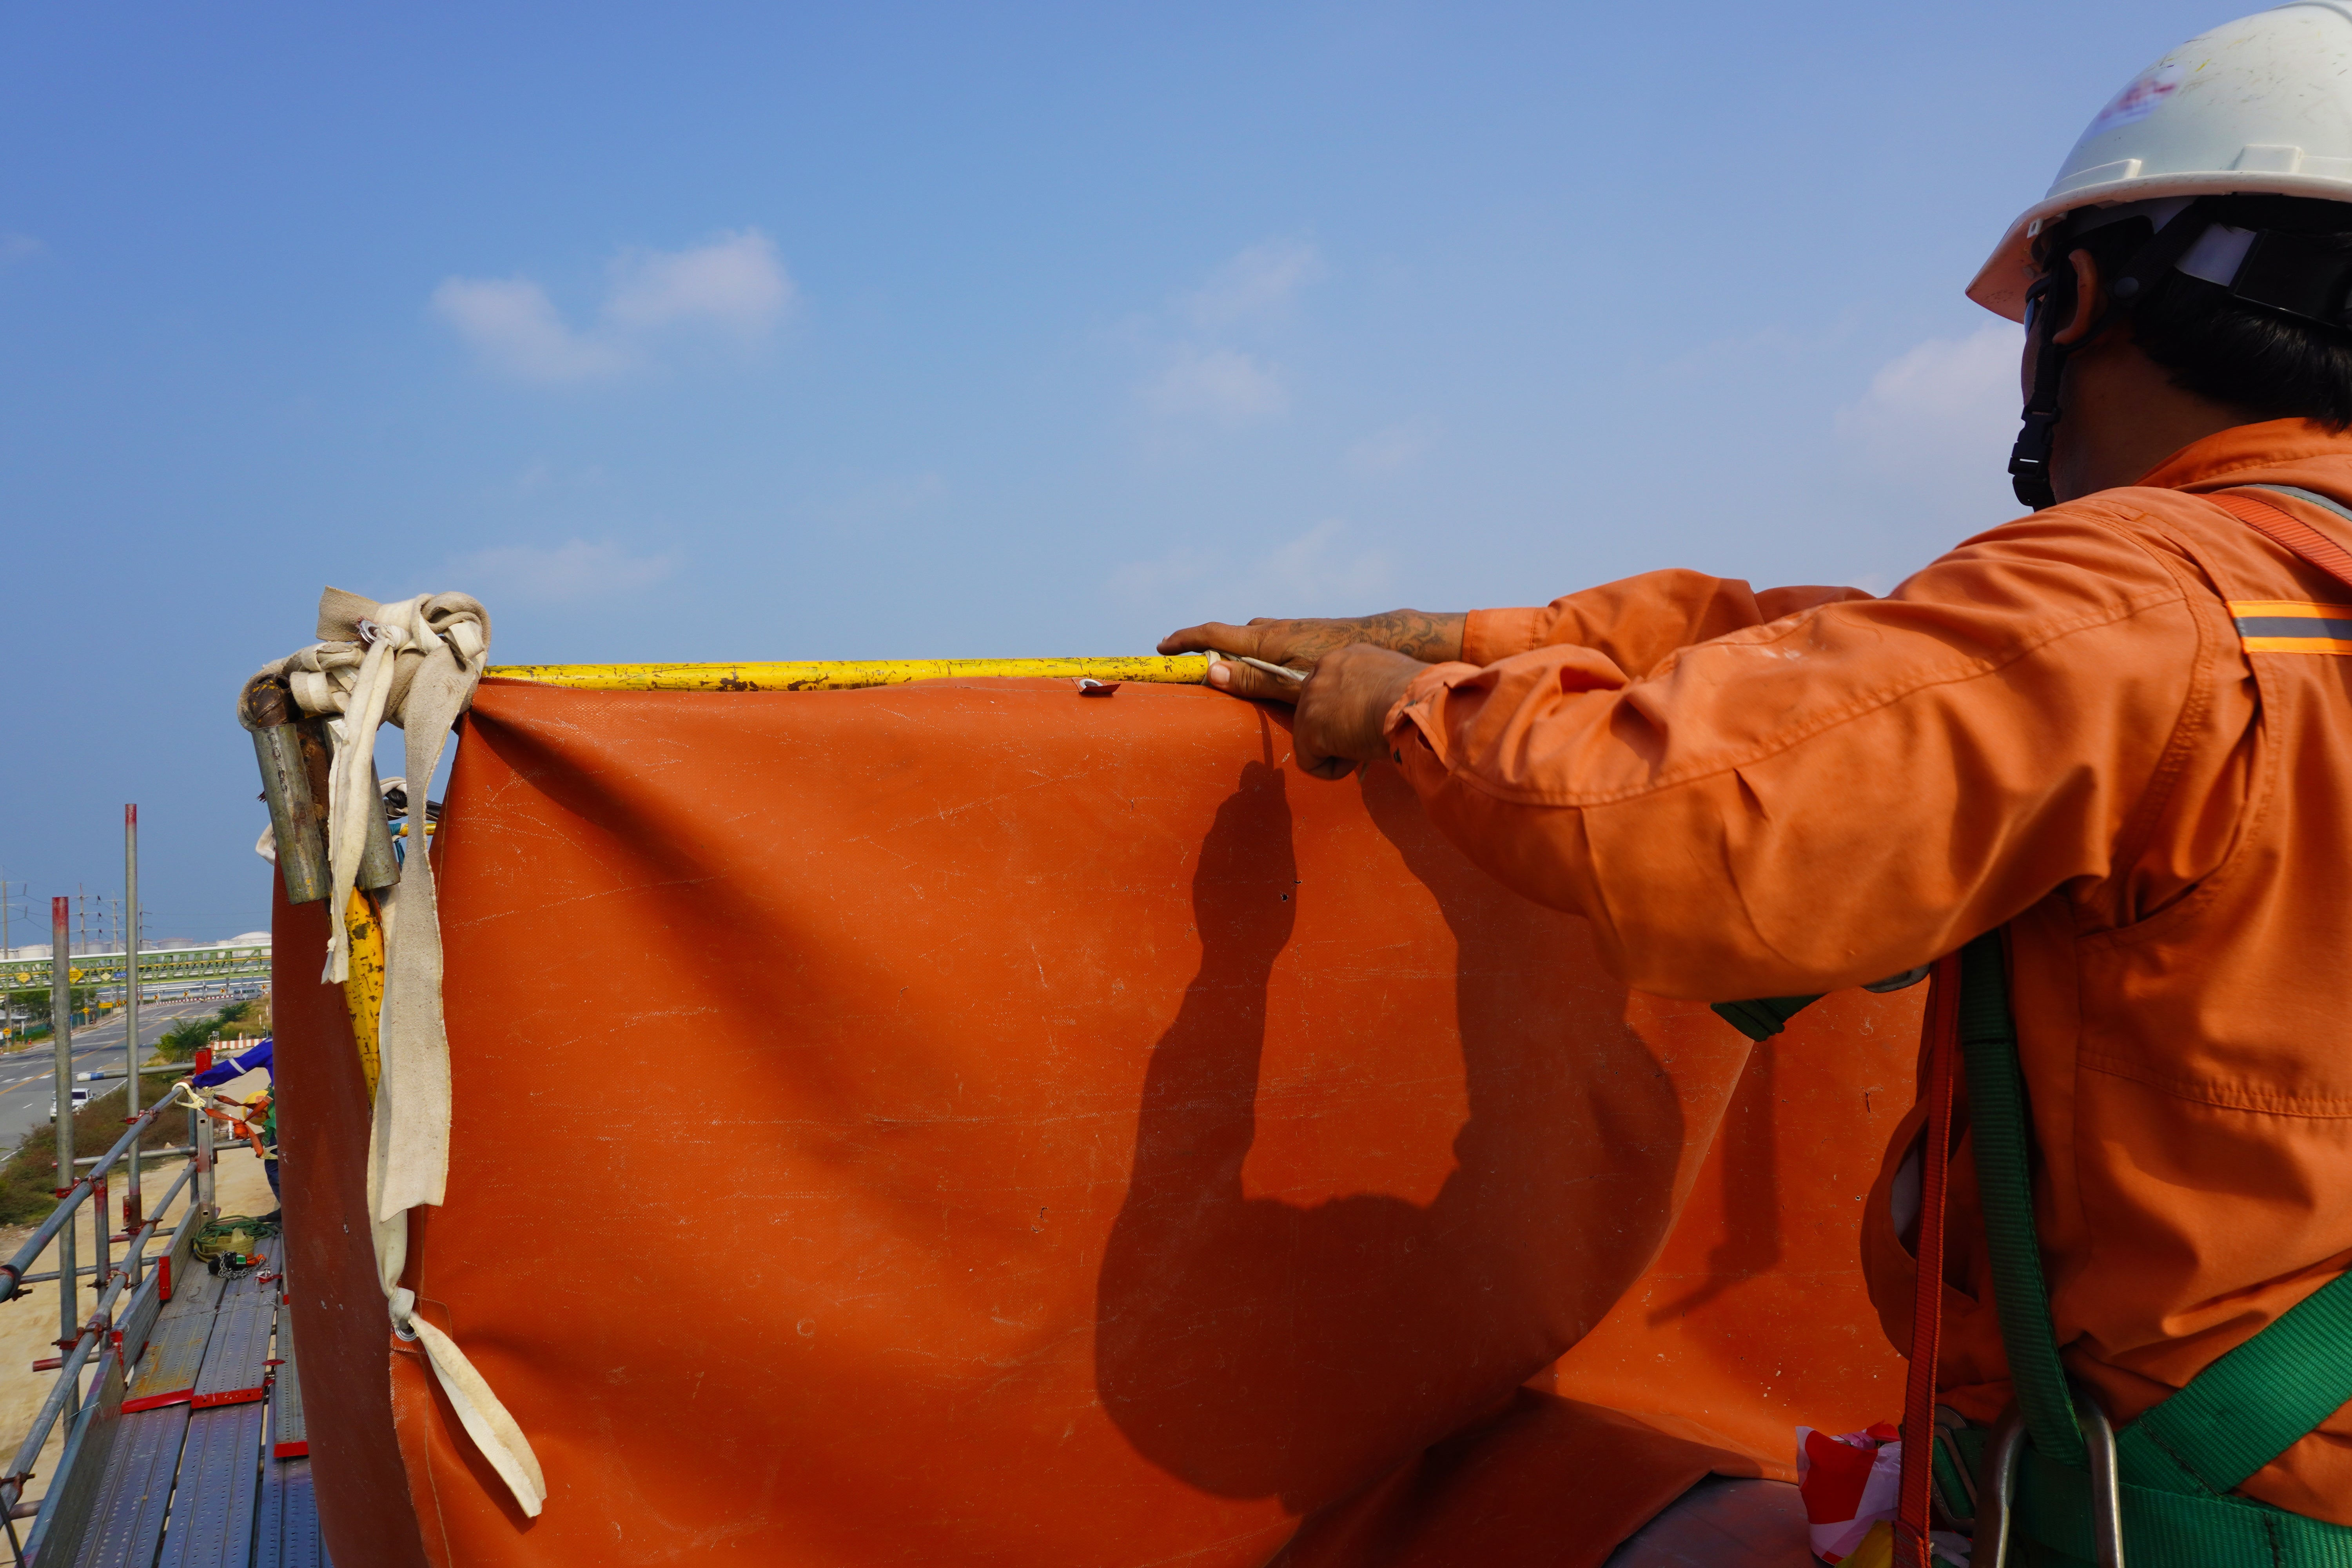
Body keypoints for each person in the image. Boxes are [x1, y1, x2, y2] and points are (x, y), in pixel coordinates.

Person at [1163, 7, 2352, 1564]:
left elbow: (1692, 822)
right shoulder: (2251, 601)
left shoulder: (2135, 591)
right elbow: (1871, 656)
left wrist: (1416, 714)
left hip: (2165, 1523)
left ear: (2070, 302)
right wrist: (1491, 637)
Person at [189, 1034, 278, 1218]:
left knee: (275, 1164)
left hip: (288, 1115)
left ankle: (292, 1213)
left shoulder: (274, 1043)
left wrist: (198, 1081)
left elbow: (238, 1066)